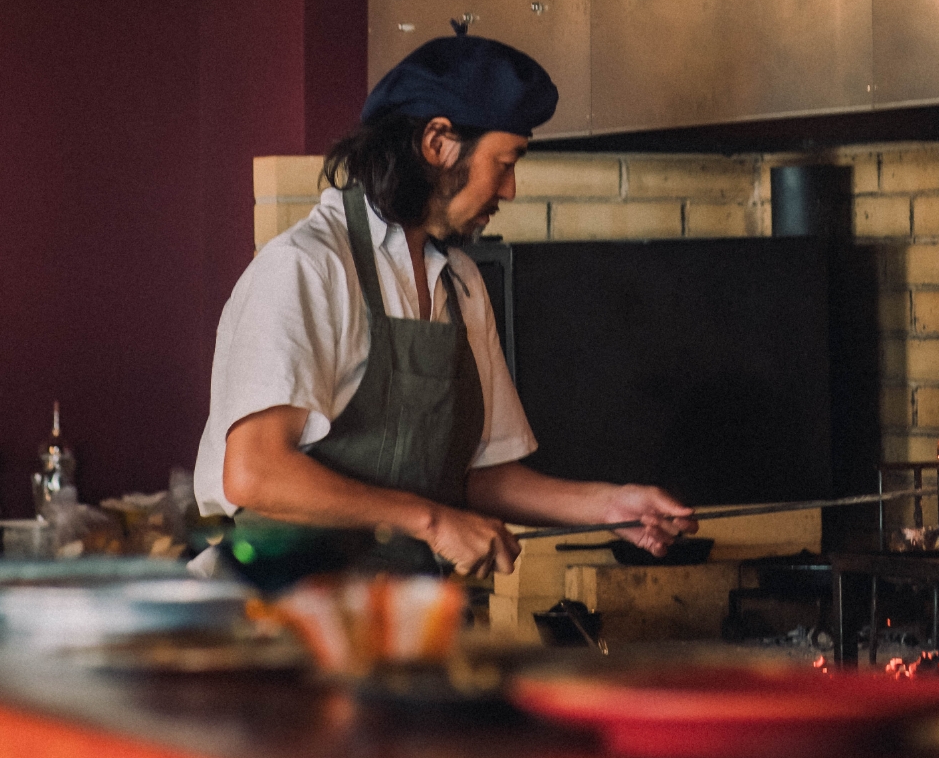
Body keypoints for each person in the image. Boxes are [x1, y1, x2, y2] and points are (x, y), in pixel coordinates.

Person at [194, 35, 696, 592]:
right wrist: (431, 522)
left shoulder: (460, 282)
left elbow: (480, 476)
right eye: (504, 163)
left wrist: (612, 507)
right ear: (437, 142)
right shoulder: (307, 266)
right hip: (272, 615)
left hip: (393, 616)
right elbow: (255, 473)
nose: (509, 188)